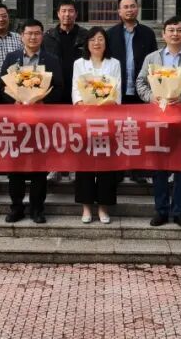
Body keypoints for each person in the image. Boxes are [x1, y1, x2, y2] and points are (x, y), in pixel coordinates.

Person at [136, 16, 181, 230]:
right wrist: (151, 97)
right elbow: (140, 82)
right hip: (157, 120)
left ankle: (179, 212)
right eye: (171, 30)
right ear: (164, 34)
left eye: (179, 30)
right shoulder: (152, 58)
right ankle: (161, 210)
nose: (175, 34)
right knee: (159, 167)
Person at [0, 19, 64, 224]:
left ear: (42, 36)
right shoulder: (12, 58)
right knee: (15, 166)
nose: (33, 37)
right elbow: (2, 86)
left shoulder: (51, 59)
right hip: (16, 121)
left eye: (37, 33)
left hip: (41, 121)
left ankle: (37, 208)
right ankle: (16, 207)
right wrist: (14, 100)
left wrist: (43, 100)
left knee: (39, 166)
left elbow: (59, 88)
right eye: (29, 33)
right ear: (22, 36)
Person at [70, 27, 121, 224]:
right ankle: (86, 207)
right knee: (85, 164)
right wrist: (82, 104)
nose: (96, 43)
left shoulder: (114, 63)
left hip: (107, 119)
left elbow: (117, 89)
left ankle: (103, 207)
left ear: (106, 43)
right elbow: (76, 88)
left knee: (106, 165)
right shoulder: (79, 63)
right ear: (87, 43)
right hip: (85, 119)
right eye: (92, 39)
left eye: (100, 39)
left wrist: (108, 104)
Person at [107, 0, 157, 185]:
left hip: (140, 92)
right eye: (125, 7)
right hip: (117, 92)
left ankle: (139, 170)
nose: (129, 9)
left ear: (137, 9)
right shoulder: (110, 34)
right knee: (117, 131)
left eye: (132, 6)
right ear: (119, 11)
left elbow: (153, 64)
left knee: (139, 131)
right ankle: (117, 170)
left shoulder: (148, 33)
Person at [42, 0, 88, 184]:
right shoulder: (48, 36)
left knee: (77, 130)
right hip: (55, 90)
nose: (67, 14)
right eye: (63, 11)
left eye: (70, 11)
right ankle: (55, 167)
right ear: (58, 14)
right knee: (55, 130)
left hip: (79, 91)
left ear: (76, 14)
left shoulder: (85, 36)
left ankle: (75, 167)